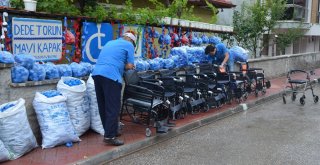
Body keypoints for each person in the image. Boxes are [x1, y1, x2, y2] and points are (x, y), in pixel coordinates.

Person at [92, 32, 136, 146]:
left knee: (103, 105)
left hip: (97, 74)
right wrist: (127, 66)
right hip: (111, 76)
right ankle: (110, 136)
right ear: (131, 40)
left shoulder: (110, 42)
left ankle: (111, 131)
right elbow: (130, 65)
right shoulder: (129, 45)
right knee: (113, 107)